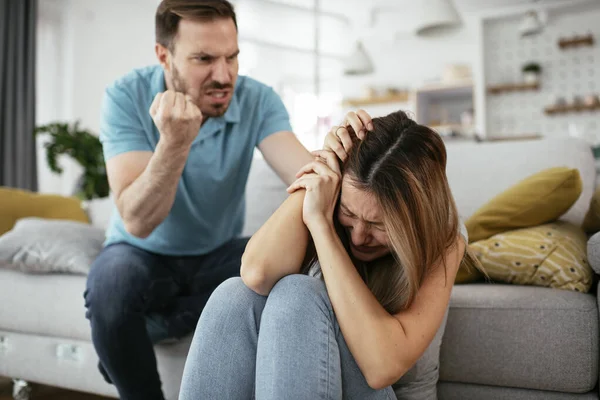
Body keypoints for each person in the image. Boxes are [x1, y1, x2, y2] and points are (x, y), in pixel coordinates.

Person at [83, 1, 312, 399]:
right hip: (139, 251)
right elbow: (137, 221)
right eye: (204, 59)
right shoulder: (125, 96)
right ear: (163, 56)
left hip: (217, 254)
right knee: (110, 292)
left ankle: (159, 323)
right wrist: (174, 142)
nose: (224, 76)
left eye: (232, 57)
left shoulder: (259, 100)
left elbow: (308, 178)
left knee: (298, 264)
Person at [178, 109, 483, 400]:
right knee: (232, 295)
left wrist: (322, 227)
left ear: (416, 218)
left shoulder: (445, 239)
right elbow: (256, 274)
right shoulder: (329, 201)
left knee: (299, 292)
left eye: (379, 225)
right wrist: (325, 167)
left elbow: (382, 367)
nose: (359, 236)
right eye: (348, 213)